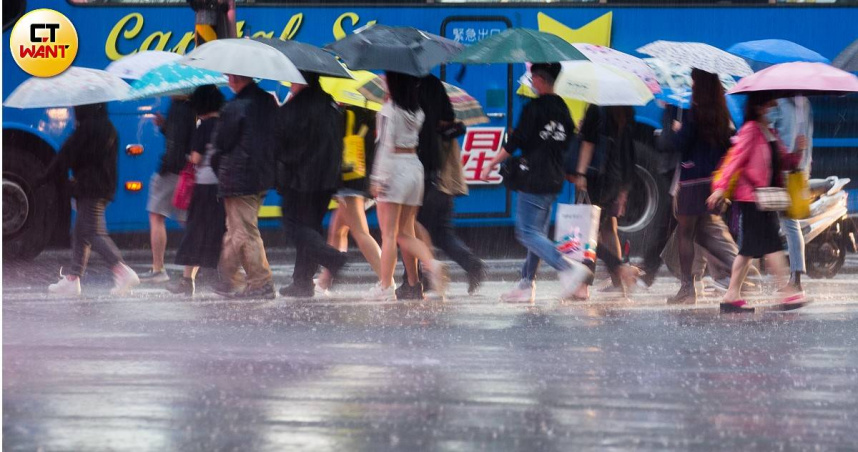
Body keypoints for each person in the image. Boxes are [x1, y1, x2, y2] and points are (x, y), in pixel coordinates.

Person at [480, 62, 591, 303]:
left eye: (532, 80)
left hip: (534, 177)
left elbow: (516, 142)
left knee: (526, 232)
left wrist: (491, 163)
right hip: (554, 178)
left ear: (539, 80)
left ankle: (568, 268)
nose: (531, 84)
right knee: (537, 233)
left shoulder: (534, 107)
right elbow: (567, 143)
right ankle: (526, 283)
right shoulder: (563, 108)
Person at [708, 92, 806, 313]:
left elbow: (785, 162)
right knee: (772, 245)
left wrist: (798, 150)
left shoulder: (769, 132)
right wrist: (721, 187)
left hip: (767, 198)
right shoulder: (751, 130)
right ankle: (786, 292)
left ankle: (731, 296)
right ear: (759, 107)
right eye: (770, 105)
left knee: (747, 250)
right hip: (752, 198)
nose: (773, 109)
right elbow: (735, 159)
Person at [397, 74, 486, 300]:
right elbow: (447, 118)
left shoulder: (407, 94)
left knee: (410, 228)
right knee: (440, 232)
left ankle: (417, 279)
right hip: (439, 174)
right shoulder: (434, 86)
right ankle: (471, 264)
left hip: (420, 171)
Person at [364, 71, 448, 301]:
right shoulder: (416, 111)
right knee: (406, 231)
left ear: (394, 82)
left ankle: (386, 286)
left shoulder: (389, 111)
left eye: (387, 78)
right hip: (414, 168)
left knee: (390, 235)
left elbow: (385, 146)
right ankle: (415, 280)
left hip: (394, 169)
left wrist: (377, 179)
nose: (383, 81)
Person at [40, 103, 140, 296]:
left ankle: (122, 270)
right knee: (80, 232)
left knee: (92, 232)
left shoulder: (86, 129)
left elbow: (66, 155)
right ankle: (73, 279)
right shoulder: (108, 127)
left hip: (90, 187)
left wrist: (45, 177)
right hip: (103, 186)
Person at [668, 68, 739, 305]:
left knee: (686, 234)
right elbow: (730, 145)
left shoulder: (693, 113)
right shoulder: (722, 114)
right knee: (705, 231)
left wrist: (676, 130)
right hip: (712, 182)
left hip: (691, 180)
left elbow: (680, 144)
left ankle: (687, 288)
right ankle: (737, 270)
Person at [275, 72, 348, 298]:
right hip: (326, 180)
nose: (290, 84)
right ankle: (302, 281)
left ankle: (331, 257)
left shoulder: (294, 108)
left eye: (292, 79)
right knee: (311, 226)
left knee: (293, 224)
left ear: (301, 81)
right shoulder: (330, 105)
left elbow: (282, 144)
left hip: (300, 179)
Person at [210, 74, 278, 299]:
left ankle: (261, 282)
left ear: (235, 78)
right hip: (261, 175)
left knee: (244, 232)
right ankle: (227, 278)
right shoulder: (268, 101)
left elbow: (222, 143)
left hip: (239, 177)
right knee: (236, 229)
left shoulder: (235, 107)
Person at [568, 104, 642, 300]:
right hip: (614, 180)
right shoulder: (625, 110)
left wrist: (581, 173)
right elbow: (628, 150)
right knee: (609, 229)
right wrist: (624, 189)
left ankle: (587, 284)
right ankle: (618, 284)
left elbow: (588, 144)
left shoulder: (596, 108)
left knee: (587, 234)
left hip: (595, 179)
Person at [315, 107, 385, 296]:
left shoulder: (347, 115)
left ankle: (387, 282)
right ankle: (323, 282)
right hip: (360, 178)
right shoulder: (370, 115)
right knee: (337, 231)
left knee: (361, 233)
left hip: (349, 181)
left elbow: (334, 147)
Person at [167, 85, 227, 296]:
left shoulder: (205, 126)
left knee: (195, 233)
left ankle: (187, 280)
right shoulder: (224, 123)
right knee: (219, 233)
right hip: (221, 187)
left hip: (203, 189)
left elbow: (196, 158)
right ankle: (227, 276)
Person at [139, 95, 195, 284]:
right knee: (188, 221)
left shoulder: (179, 107)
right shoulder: (191, 106)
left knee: (156, 215)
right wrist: (165, 126)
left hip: (173, 170)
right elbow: (184, 137)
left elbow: (177, 142)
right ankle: (209, 261)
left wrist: (168, 167)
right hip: (185, 170)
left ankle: (158, 269)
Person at [770, 96, 813, 292]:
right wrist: (806, 167)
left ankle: (795, 278)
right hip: (799, 169)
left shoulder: (778, 102)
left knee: (788, 224)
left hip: (783, 169)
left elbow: (769, 134)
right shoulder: (805, 102)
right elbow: (807, 138)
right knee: (789, 225)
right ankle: (794, 276)